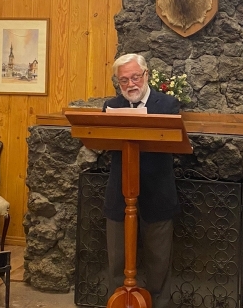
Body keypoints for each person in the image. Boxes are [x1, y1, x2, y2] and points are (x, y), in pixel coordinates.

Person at [102, 53, 180, 307]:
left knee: (158, 264)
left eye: (135, 77)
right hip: (119, 195)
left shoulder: (167, 105)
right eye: (124, 80)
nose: (130, 84)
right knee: (118, 262)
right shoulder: (110, 107)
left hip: (157, 195)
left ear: (146, 75)